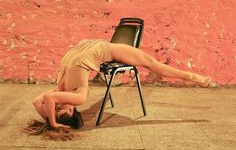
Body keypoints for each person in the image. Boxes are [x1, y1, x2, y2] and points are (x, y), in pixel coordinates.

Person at [32, 39, 212, 129]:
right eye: (58, 110)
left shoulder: (77, 98)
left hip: (96, 51)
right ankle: (195, 78)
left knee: (153, 64)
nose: (55, 107)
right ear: (70, 111)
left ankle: (195, 78)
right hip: (78, 52)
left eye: (55, 109)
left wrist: (52, 123)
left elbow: (47, 98)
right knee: (151, 63)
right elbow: (39, 102)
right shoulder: (61, 90)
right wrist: (50, 119)